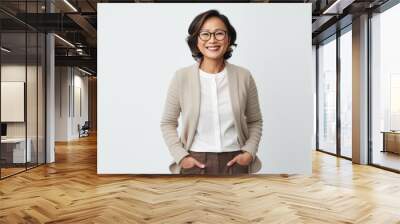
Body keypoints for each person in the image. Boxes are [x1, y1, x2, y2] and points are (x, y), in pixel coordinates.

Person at [160, 9, 263, 175]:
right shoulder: (181, 77)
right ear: (196, 40)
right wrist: (181, 157)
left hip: (236, 161)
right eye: (205, 34)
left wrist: (249, 153)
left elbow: (255, 121)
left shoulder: (244, 76)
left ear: (228, 38)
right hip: (194, 162)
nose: (212, 40)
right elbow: (167, 123)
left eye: (219, 33)